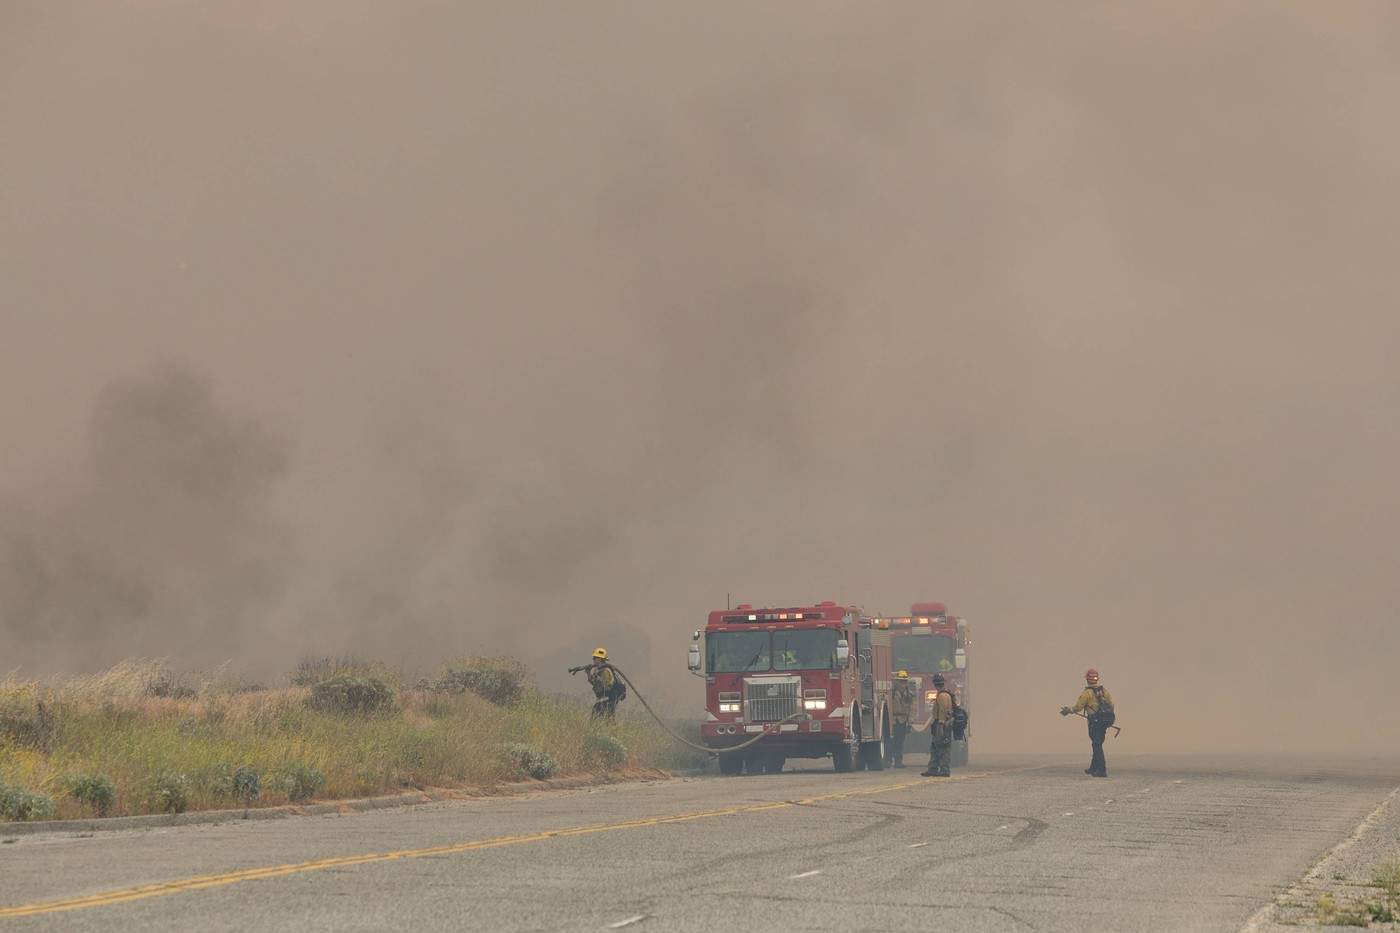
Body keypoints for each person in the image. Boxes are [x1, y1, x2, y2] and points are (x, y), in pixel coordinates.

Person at [1061, 668, 1114, 777]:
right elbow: (1111, 705)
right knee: (1097, 743)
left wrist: (1068, 710)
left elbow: (1078, 707)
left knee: (1096, 744)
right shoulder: (1104, 691)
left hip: (1094, 722)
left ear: (1087, 680)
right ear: (1097, 679)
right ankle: (1093, 768)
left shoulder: (1087, 693)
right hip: (1104, 722)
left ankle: (1101, 770)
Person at [921, 673, 953, 777]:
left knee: (942, 748)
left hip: (942, 725)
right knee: (935, 747)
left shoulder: (942, 696)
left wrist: (941, 725)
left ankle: (944, 770)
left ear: (935, 684)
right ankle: (933, 769)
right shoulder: (945, 694)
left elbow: (943, 711)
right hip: (942, 724)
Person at [584, 648, 625, 720]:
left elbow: (607, 686)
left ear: (600, 659)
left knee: (605, 721)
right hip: (601, 700)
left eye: (595, 658)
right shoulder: (598, 670)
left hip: (607, 701)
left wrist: (597, 678)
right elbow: (594, 683)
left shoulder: (606, 671)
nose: (593, 660)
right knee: (595, 720)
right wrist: (588, 673)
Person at [889, 670, 915, 767]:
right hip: (893, 721)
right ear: (897, 682)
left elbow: (912, 709)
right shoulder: (891, 693)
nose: (903, 684)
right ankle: (889, 760)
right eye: (901, 681)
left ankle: (898, 761)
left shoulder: (909, 694)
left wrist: (910, 723)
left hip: (903, 721)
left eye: (904, 682)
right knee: (892, 741)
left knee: (900, 742)